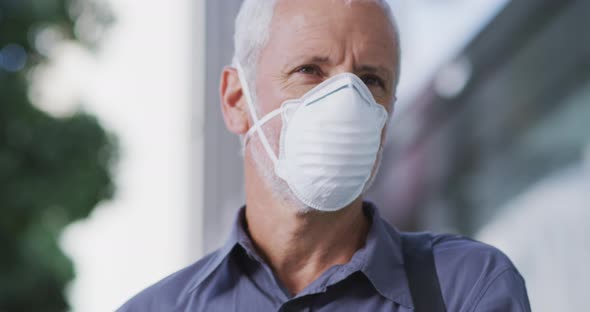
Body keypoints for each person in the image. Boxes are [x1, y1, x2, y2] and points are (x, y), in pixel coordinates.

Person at [118, 0, 531, 311]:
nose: (345, 103)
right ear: (237, 99)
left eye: (371, 80)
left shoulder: (467, 288)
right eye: (310, 71)